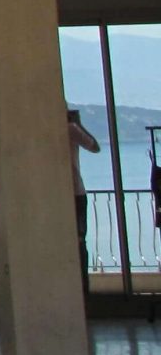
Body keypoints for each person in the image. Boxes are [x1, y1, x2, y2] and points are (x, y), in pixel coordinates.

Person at [68, 108, 103, 276]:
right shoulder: (71, 129)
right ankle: (82, 284)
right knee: (79, 240)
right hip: (75, 192)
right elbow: (95, 147)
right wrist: (79, 124)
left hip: (55, 194)